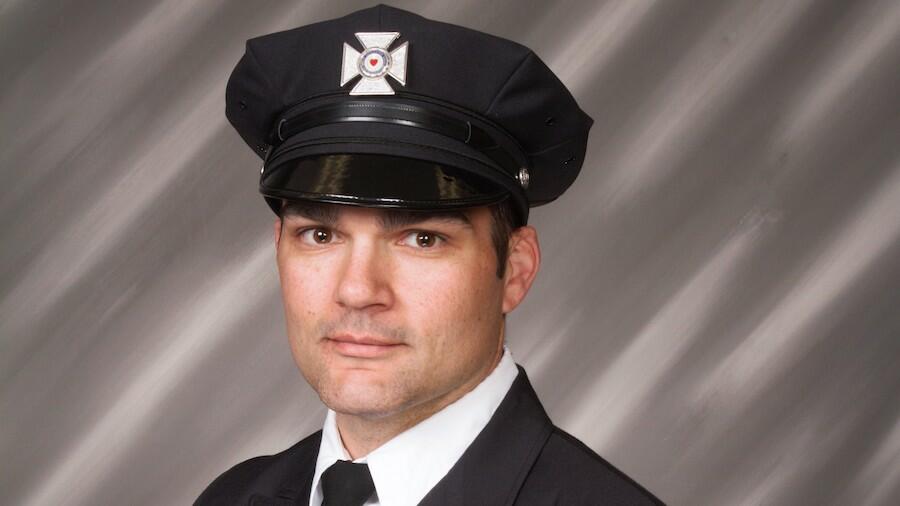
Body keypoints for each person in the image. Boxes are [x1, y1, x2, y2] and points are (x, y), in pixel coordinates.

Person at [196, 4, 663, 505]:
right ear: (278, 249)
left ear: (515, 270)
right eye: (321, 235)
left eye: (422, 239)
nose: (357, 290)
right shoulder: (233, 498)